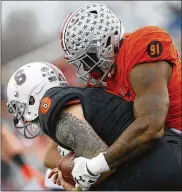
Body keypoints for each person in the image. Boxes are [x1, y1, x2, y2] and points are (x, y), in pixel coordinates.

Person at [59, 3, 182, 190]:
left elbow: (151, 125)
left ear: (106, 41)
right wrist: (71, 165)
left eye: (88, 58)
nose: (87, 68)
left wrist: (95, 166)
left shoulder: (140, 46)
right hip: (169, 144)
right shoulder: (102, 79)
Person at [7, 62, 181, 190]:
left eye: (19, 106)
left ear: (32, 97)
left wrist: (77, 182)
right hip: (161, 156)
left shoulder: (51, 107)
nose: (19, 115)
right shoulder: (75, 97)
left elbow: (99, 163)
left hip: (157, 165)